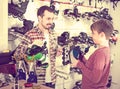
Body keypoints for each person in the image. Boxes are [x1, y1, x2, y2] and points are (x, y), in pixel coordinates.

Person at [13, 5, 59, 87]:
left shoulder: (54, 34)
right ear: (40, 18)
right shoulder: (30, 34)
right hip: (36, 81)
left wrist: (58, 51)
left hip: (52, 79)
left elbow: (52, 54)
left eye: (52, 19)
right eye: (48, 19)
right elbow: (16, 56)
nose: (51, 22)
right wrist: (29, 48)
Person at [71, 19, 114, 89]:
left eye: (93, 33)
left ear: (102, 35)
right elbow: (92, 68)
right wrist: (82, 59)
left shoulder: (101, 54)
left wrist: (79, 65)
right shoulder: (105, 50)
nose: (91, 35)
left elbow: (95, 78)